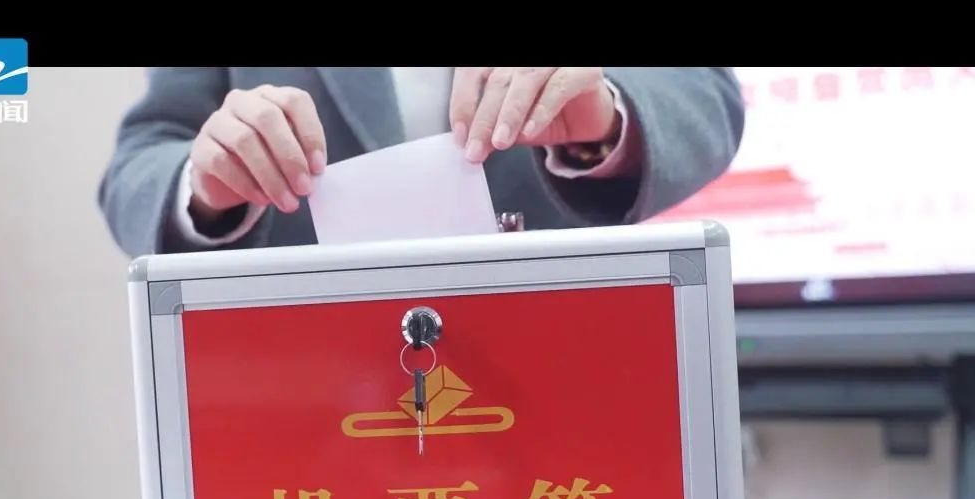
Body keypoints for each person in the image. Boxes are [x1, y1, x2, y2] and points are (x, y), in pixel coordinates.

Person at [98, 67, 744, 257]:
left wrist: (608, 118)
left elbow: (704, 95)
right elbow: (142, 160)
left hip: (556, 365)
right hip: (304, 392)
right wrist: (205, 185)